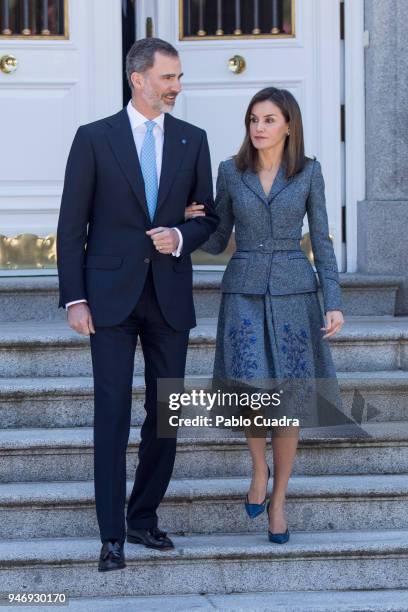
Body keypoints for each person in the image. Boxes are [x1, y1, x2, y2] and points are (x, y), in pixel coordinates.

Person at [56, 37, 218, 572]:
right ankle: (111, 536)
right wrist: (75, 298)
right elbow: (70, 224)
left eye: (178, 78)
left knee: (165, 418)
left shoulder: (193, 141)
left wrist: (180, 232)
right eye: (168, 77)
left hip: (169, 299)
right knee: (111, 416)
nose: (176, 87)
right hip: (108, 300)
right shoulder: (94, 138)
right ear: (139, 79)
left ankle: (142, 518)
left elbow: (207, 218)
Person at [185, 87, 344, 544]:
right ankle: (259, 470)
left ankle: (279, 501)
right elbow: (218, 242)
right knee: (252, 390)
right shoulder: (230, 172)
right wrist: (194, 219)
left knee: (290, 400)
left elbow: (323, 240)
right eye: (253, 119)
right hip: (243, 292)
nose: (259, 127)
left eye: (269, 119)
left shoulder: (310, 172)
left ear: (288, 125)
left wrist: (333, 300)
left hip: (296, 291)